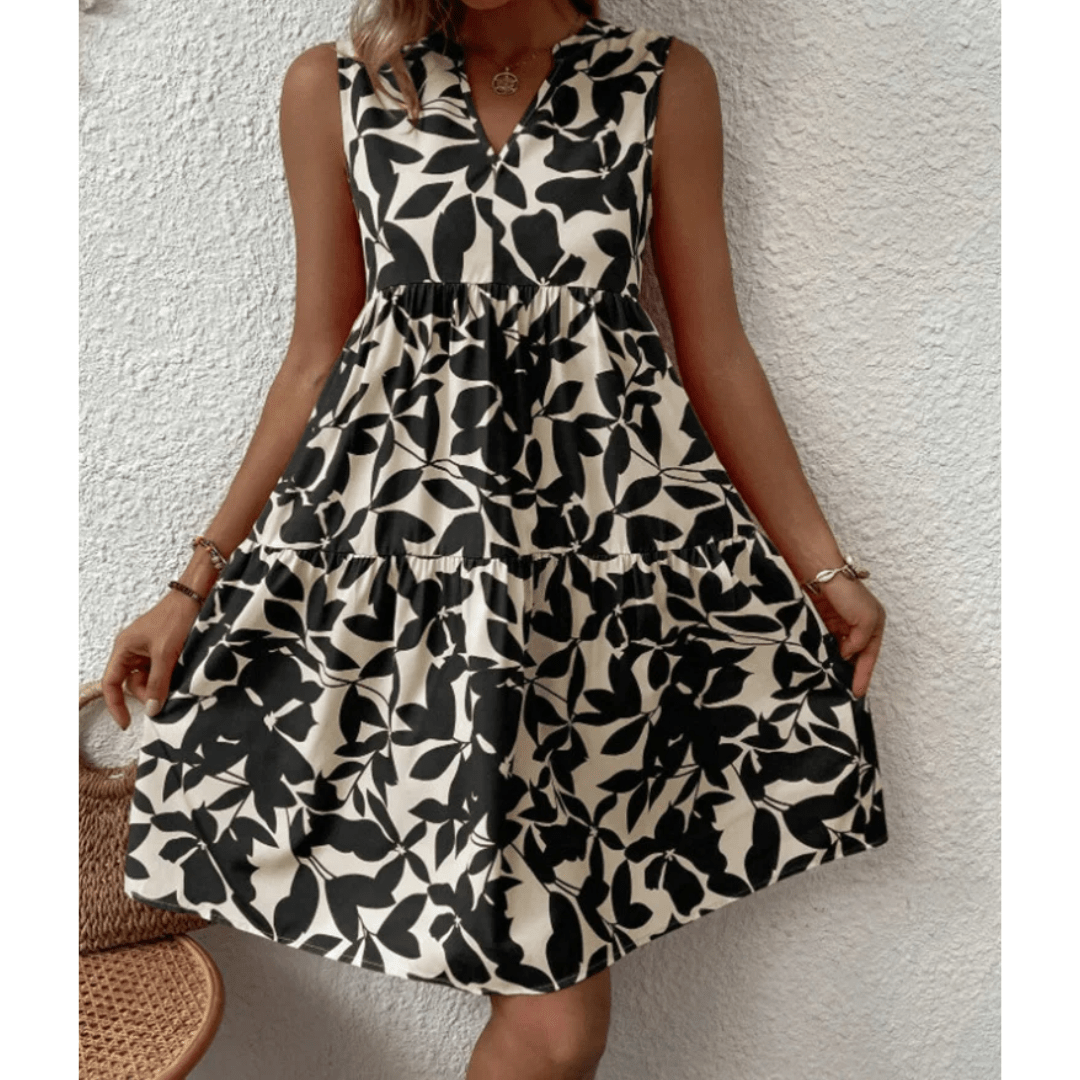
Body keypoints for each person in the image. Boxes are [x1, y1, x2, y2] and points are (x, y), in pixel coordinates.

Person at [101, 1, 889, 1077]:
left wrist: (822, 566)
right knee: (556, 1026)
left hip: (598, 586)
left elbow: (714, 351)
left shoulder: (658, 82)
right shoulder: (340, 87)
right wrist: (194, 583)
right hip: (410, 586)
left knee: (555, 1021)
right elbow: (317, 354)